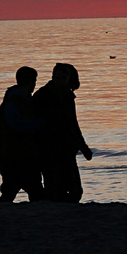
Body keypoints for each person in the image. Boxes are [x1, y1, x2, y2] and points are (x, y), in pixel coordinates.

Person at [32, 62, 92, 202]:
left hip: (66, 148)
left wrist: (83, 147)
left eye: (63, 78)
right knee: (55, 188)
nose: (60, 81)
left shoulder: (67, 95)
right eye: (57, 78)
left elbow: (72, 123)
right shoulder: (43, 95)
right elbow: (37, 124)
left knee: (74, 190)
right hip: (49, 148)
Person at [0, 66, 43, 203]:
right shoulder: (14, 101)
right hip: (14, 154)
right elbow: (16, 125)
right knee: (12, 190)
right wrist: (40, 123)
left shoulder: (22, 100)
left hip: (21, 153)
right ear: (31, 82)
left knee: (29, 189)